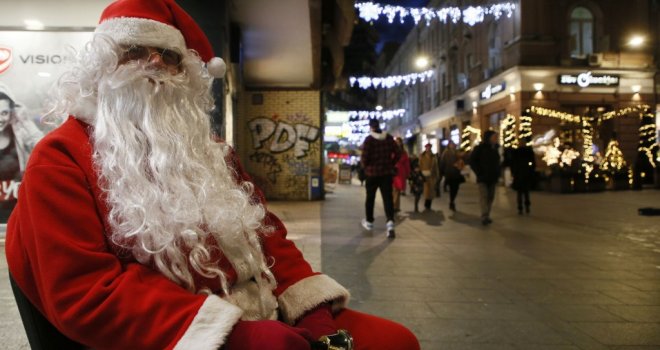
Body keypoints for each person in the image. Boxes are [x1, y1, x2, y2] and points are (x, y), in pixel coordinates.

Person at [5, 1, 420, 349]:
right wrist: (238, 335)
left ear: (186, 76)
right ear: (102, 67)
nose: (153, 65)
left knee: (396, 340)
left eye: (169, 57)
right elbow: (85, 292)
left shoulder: (211, 152)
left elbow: (268, 238)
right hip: (178, 337)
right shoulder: (60, 158)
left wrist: (313, 314)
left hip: (266, 314)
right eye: (134, 51)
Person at [0, 84, 44, 221]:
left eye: (4, 113)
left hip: (17, 212)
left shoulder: (19, 133)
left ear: (12, 113)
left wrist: (25, 121)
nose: (0, 118)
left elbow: (43, 150)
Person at [360, 118, 401, 238]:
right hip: (386, 174)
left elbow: (364, 157)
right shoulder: (388, 138)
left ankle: (369, 222)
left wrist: (366, 167)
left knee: (370, 198)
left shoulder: (369, 140)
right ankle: (390, 223)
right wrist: (391, 163)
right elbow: (398, 153)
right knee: (387, 199)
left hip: (372, 174)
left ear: (370, 127)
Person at [470, 130, 501, 225]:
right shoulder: (480, 148)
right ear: (489, 138)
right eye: (494, 137)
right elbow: (472, 161)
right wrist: (479, 172)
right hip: (483, 178)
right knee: (484, 196)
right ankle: (484, 216)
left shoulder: (496, 148)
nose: (496, 139)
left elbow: (498, 162)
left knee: (490, 197)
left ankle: (487, 214)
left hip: (493, 178)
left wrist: (498, 172)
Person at [511, 138, 536, 214]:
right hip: (521, 174)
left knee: (525, 192)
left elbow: (533, 163)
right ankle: (521, 207)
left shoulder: (527, 151)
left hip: (524, 174)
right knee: (522, 192)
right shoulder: (518, 152)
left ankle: (525, 206)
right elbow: (513, 163)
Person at [392, 137, 410, 213]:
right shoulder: (392, 151)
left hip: (400, 172)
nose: (397, 143)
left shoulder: (404, 152)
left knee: (397, 190)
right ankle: (394, 206)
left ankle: (396, 206)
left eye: (399, 142)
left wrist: (408, 173)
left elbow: (406, 163)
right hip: (393, 172)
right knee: (394, 189)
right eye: (396, 142)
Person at [418, 143, 438, 210]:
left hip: (431, 175)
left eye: (429, 147)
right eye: (427, 147)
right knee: (426, 191)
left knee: (431, 191)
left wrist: (437, 175)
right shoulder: (422, 156)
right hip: (424, 175)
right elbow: (419, 165)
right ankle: (426, 204)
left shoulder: (433, 157)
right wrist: (420, 173)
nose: (428, 149)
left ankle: (429, 204)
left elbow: (436, 167)